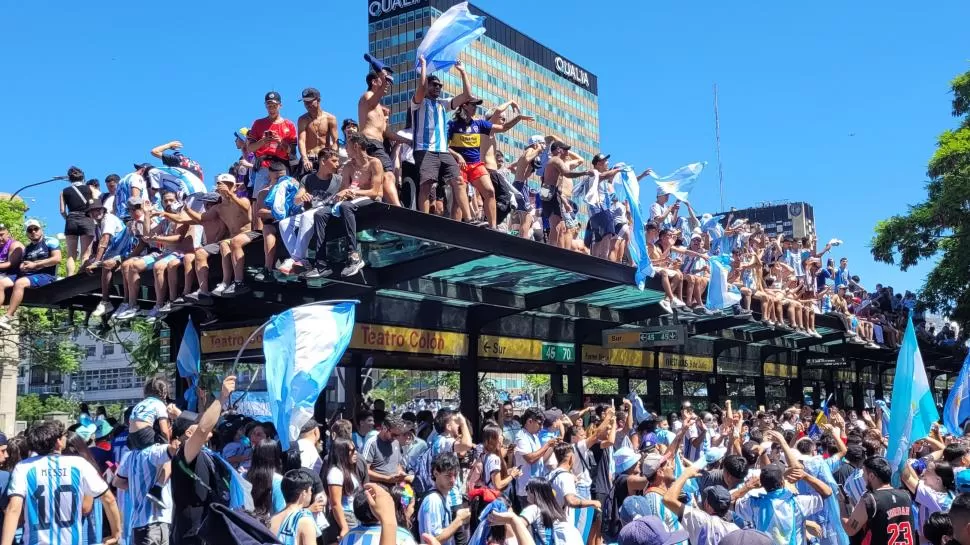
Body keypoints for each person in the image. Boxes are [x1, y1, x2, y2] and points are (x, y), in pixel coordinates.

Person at [0, 420, 123, 545]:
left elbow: (13, 509)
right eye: (64, 435)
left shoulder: (24, 467)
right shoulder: (79, 464)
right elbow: (109, 499)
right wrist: (116, 533)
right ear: (59, 442)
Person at [304, 133, 383, 279]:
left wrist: (351, 191)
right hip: (350, 201)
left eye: (347, 145)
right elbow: (344, 190)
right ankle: (321, 264)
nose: (345, 149)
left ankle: (353, 255)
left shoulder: (374, 163)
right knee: (320, 214)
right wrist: (345, 192)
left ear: (356, 146)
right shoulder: (348, 166)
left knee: (346, 206)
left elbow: (374, 191)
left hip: (369, 200)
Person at [447, 97, 532, 229]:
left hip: (476, 164)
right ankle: (463, 224)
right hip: (460, 165)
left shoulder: (480, 124)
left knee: (490, 191)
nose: (475, 108)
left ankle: (492, 227)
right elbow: (443, 145)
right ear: (464, 105)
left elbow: (504, 128)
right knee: (458, 197)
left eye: (476, 106)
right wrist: (458, 156)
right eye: (473, 105)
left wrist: (519, 118)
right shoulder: (453, 124)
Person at [412, 56, 474, 221]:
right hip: (424, 149)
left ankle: (469, 219)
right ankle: (423, 222)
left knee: (459, 181)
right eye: (435, 85)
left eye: (440, 85)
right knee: (426, 184)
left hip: (442, 150)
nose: (438, 88)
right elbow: (421, 88)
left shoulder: (443, 104)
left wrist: (462, 72)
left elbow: (467, 95)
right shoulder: (418, 102)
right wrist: (424, 66)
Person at [277, 148, 342, 275]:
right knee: (283, 224)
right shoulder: (308, 179)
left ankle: (295, 258)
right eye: (334, 161)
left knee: (306, 216)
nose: (337, 164)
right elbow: (296, 200)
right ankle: (301, 260)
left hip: (328, 214)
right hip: (311, 213)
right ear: (323, 161)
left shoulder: (339, 179)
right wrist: (301, 198)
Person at [734, 462, 829, 545]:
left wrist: (748, 487)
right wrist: (806, 476)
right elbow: (827, 492)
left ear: (762, 485)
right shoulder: (798, 502)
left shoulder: (753, 505)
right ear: (783, 482)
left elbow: (728, 502)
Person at [0, 220, 61, 331]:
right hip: (27, 274)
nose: (33, 232)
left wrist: (36, 264)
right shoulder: (27, 248)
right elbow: (23, 263)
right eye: (30, 230)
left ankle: (8, 316)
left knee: (20, 283)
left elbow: (57, 259)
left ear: (40, 230)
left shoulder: (50, 241)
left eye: (35, 229)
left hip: (45, 275)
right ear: (27, 233)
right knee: (1, 283)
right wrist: (23, 266)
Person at [842, 456, 916, 544]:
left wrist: (841, 504)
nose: (862, 477)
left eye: (864, 473)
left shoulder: (870, 499)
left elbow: (850, 529)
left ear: (872, 476)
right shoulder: (906, 495)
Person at [663, 463, 740, 544]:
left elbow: (668, 499)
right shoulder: (734, 529)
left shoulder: (701, 520)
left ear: (709, 506)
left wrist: (685, 475)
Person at [85, 199, 137, 318]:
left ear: (103, 210)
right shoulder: (98, 225)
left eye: (98, 209)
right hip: (115, 254)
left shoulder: (108, 219)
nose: (96, 212)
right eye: (92, 211)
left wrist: (97, 262)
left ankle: (106, 301)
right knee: (87, 266)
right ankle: (88, 312)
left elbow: (104, 241)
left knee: (107, 265)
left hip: (127, 253)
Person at [359, 68, 401, 206]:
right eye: (381, 81)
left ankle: (380, 201)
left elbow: (386, 132)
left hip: (377, 143)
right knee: (389, 174)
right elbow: (377, 96)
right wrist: (384, 79)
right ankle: (397, 207)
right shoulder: (367, 96)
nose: (386, 85)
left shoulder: (378, 107)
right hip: (371, 141)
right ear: (373, 81)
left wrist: (408, 141)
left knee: (378, 174)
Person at [247, 91, 298, 198]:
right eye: (268, 105)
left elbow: (292, 151)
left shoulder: (289, 125)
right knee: (260, 197)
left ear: (280, 105)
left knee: (282, 197)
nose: (271, 108)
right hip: (264, 166)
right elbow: (250, 148)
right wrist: (263, 141)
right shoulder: (258, 123)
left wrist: (280, 141)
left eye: (274, 105)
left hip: (282, 166)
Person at [541, 141, 589, 249]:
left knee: (561, 225)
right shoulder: (556, 160)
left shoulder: (552, 161)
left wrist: (563, 200)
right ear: (559, 149)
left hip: (548, 190)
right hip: (551, 190)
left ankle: (557, 248)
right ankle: (552, 249)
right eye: (565, 149)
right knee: (557, 224)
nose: (568, 151)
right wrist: (584, 173)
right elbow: (567, 173)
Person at [418, 453, 472, 545]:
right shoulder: (433, 500)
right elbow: (433, 539)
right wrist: (459, 520)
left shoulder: (444, 497)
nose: (453, 480)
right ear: (436, 473)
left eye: (455, 475)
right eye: (448, 476)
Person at [515, 408, 558, 507]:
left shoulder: (534, 436)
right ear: (530, 421)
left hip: (538, 488)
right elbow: (530, 459)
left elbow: (541, 459)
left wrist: (552, 447)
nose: (541, 427)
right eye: (539, 423)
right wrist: (547, 445)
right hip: (527, 491)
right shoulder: (521, 437)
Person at [60, 165, 95, 276]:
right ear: (83, 178)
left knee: (71, 254)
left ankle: (70, 277)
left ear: (70, 179)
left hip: (71, 220)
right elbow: (94, 205)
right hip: (86, 218)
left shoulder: (64, 191)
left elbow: (62, 210)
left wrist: (68, 218)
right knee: (85, 254)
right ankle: (83, 277)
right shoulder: (90, 189)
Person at [327, 438, 363, 542]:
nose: (355, 453)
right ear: (342, 453)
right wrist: (344, 526)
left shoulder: (349, 470)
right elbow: (335, 503)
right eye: (352, 451)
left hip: (353, 515)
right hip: (345, 516)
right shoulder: (335, 473)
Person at [271, 469, 320, 545]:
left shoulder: (272, 519)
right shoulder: (305, 521)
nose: (311, 493)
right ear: (304, 493)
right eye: (310, 490)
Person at [298, 87, 338, 177]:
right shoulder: (303, 120)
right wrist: (305, 159)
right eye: (305, 102)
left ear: (318, 100)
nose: (307, 104)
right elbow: (301, 140)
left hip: (324, 158)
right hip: (309, 158)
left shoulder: (330, 118)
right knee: (305, 187)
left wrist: (332, 158)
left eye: (309, 102)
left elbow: (335, 141)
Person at [361, 415, 408, 485]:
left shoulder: (396, 442)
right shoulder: (372, 443)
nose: (396, 438)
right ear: (384, 428)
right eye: (394, 435)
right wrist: (386, 479)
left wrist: (400, 473)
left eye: (398, 435)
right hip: (378, 487)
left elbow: (397, 464)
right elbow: (365, 471)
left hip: (395, 486)